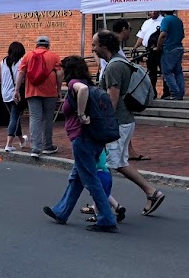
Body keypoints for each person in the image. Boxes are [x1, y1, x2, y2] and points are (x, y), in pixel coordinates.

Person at [93, 30, 166, 215]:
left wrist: (102, 123)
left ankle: (105, 203)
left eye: (95, 45)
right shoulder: (120, 62)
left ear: (104, 46)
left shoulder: (113, 67)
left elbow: (112, 100)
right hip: (124, 121)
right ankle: (151, 193)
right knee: (119, 162)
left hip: (117, 122)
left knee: (107, 164)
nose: (93, 49)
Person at [43, 56, 119, 232]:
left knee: (90, 180)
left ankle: (106, 219)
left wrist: (81, 114)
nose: (59, 72)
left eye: (61, 69)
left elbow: (82, 90)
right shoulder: (90, 84)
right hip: (93, 139)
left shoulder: (75, 84)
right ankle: (61, 211)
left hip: (82, 138)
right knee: (77, 179)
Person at [16, 35, 61, 159]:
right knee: (48, 118)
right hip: (50, 91)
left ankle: (35, 148)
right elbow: (60, 73)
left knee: (35, 118)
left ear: (36, 45)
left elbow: (21, 73)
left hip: (32, 91)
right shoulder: (54, 56)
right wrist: (58, 89)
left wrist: (16, 90)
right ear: (48, 45)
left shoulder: (28, 56)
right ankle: (48, 146)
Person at [0, 41, 27, 152]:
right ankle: (8, 144)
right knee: (14, 118)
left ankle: (21, 141)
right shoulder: (21, 62)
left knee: (15, 117)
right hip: (16, 93)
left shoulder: (3, 61)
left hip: (4, 93)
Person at [157, 10, 186, 100]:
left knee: (167, 72)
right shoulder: (178, 20)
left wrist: (158, 46)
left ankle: (175, 93)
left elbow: (163, 34)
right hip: (179, 47)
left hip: (169, 48)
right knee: (178, 72)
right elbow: (183, 35)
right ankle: (180, 93)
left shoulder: (166, 20)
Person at [137, 11, 163, 96]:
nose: (151, 12)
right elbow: (141, 36)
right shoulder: (146, 23)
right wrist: (135, 48)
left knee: (164, 71)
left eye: (153, 10)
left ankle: (166, 92)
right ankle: (152, 92)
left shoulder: (163, 21)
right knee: (151, 72)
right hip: (149, 51)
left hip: (160, 50)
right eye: (150, 11)